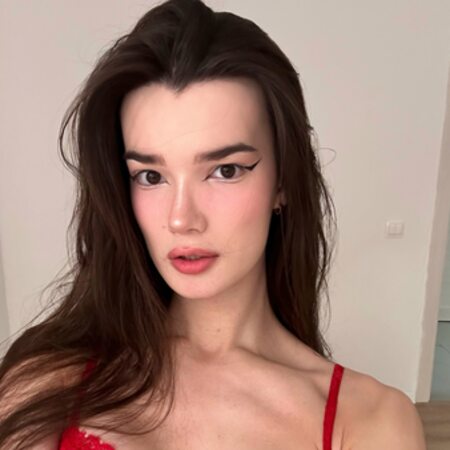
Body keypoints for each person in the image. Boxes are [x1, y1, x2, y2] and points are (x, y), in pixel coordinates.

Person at [0, 0, 426, 448]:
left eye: (225, 170)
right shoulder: (47, 382)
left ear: (283, 179)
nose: (181, 218)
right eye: (151, 176)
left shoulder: (370, 420)